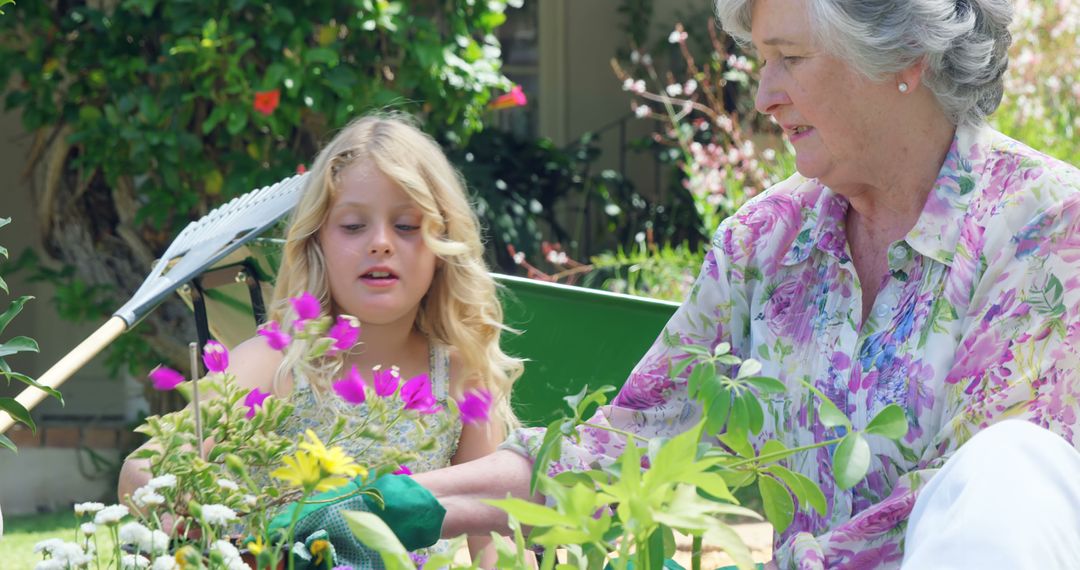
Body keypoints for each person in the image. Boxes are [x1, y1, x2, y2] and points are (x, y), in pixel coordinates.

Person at [402, 1, 1080, 568]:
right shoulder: (766, 241)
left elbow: (981, 513)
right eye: (762, 60)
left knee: (1007, 464)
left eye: (791, 58)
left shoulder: (1044, 225)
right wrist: (414, 501)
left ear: (904, 57)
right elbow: (629, 443)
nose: (763, 95)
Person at [118, 113, 524, 568]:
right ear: (318, 243)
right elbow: (148, 466)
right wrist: (168, 498)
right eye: (353, 227)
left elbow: (492, 531)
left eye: (407, 226)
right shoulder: (274, 361)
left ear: (442, 245)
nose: (381, 243)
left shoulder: (461, 375)